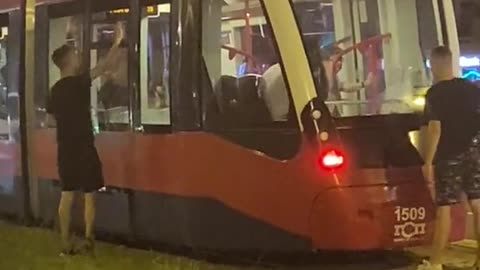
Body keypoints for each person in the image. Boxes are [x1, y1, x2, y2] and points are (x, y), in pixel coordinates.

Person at [46, 22, 124, 256]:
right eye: (75, 55)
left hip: (66, 149)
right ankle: (89, 239)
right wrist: (118, 42)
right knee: (90, 194)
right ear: (68, 62)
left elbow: (50, 121)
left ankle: (65, 242)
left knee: (67, 195)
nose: (79, 57)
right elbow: (105, 65)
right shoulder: (80, 83)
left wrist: (66, 122)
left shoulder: (55, 90)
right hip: (85, 147)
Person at [418, 46, 480, 270]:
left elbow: (434, 129)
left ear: (434, 65)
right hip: (473, 152)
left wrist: (428, 161)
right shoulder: (472, 89)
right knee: (477, 201)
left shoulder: (435, 93)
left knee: (444, 208)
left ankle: (435, 263)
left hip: (448, 155)